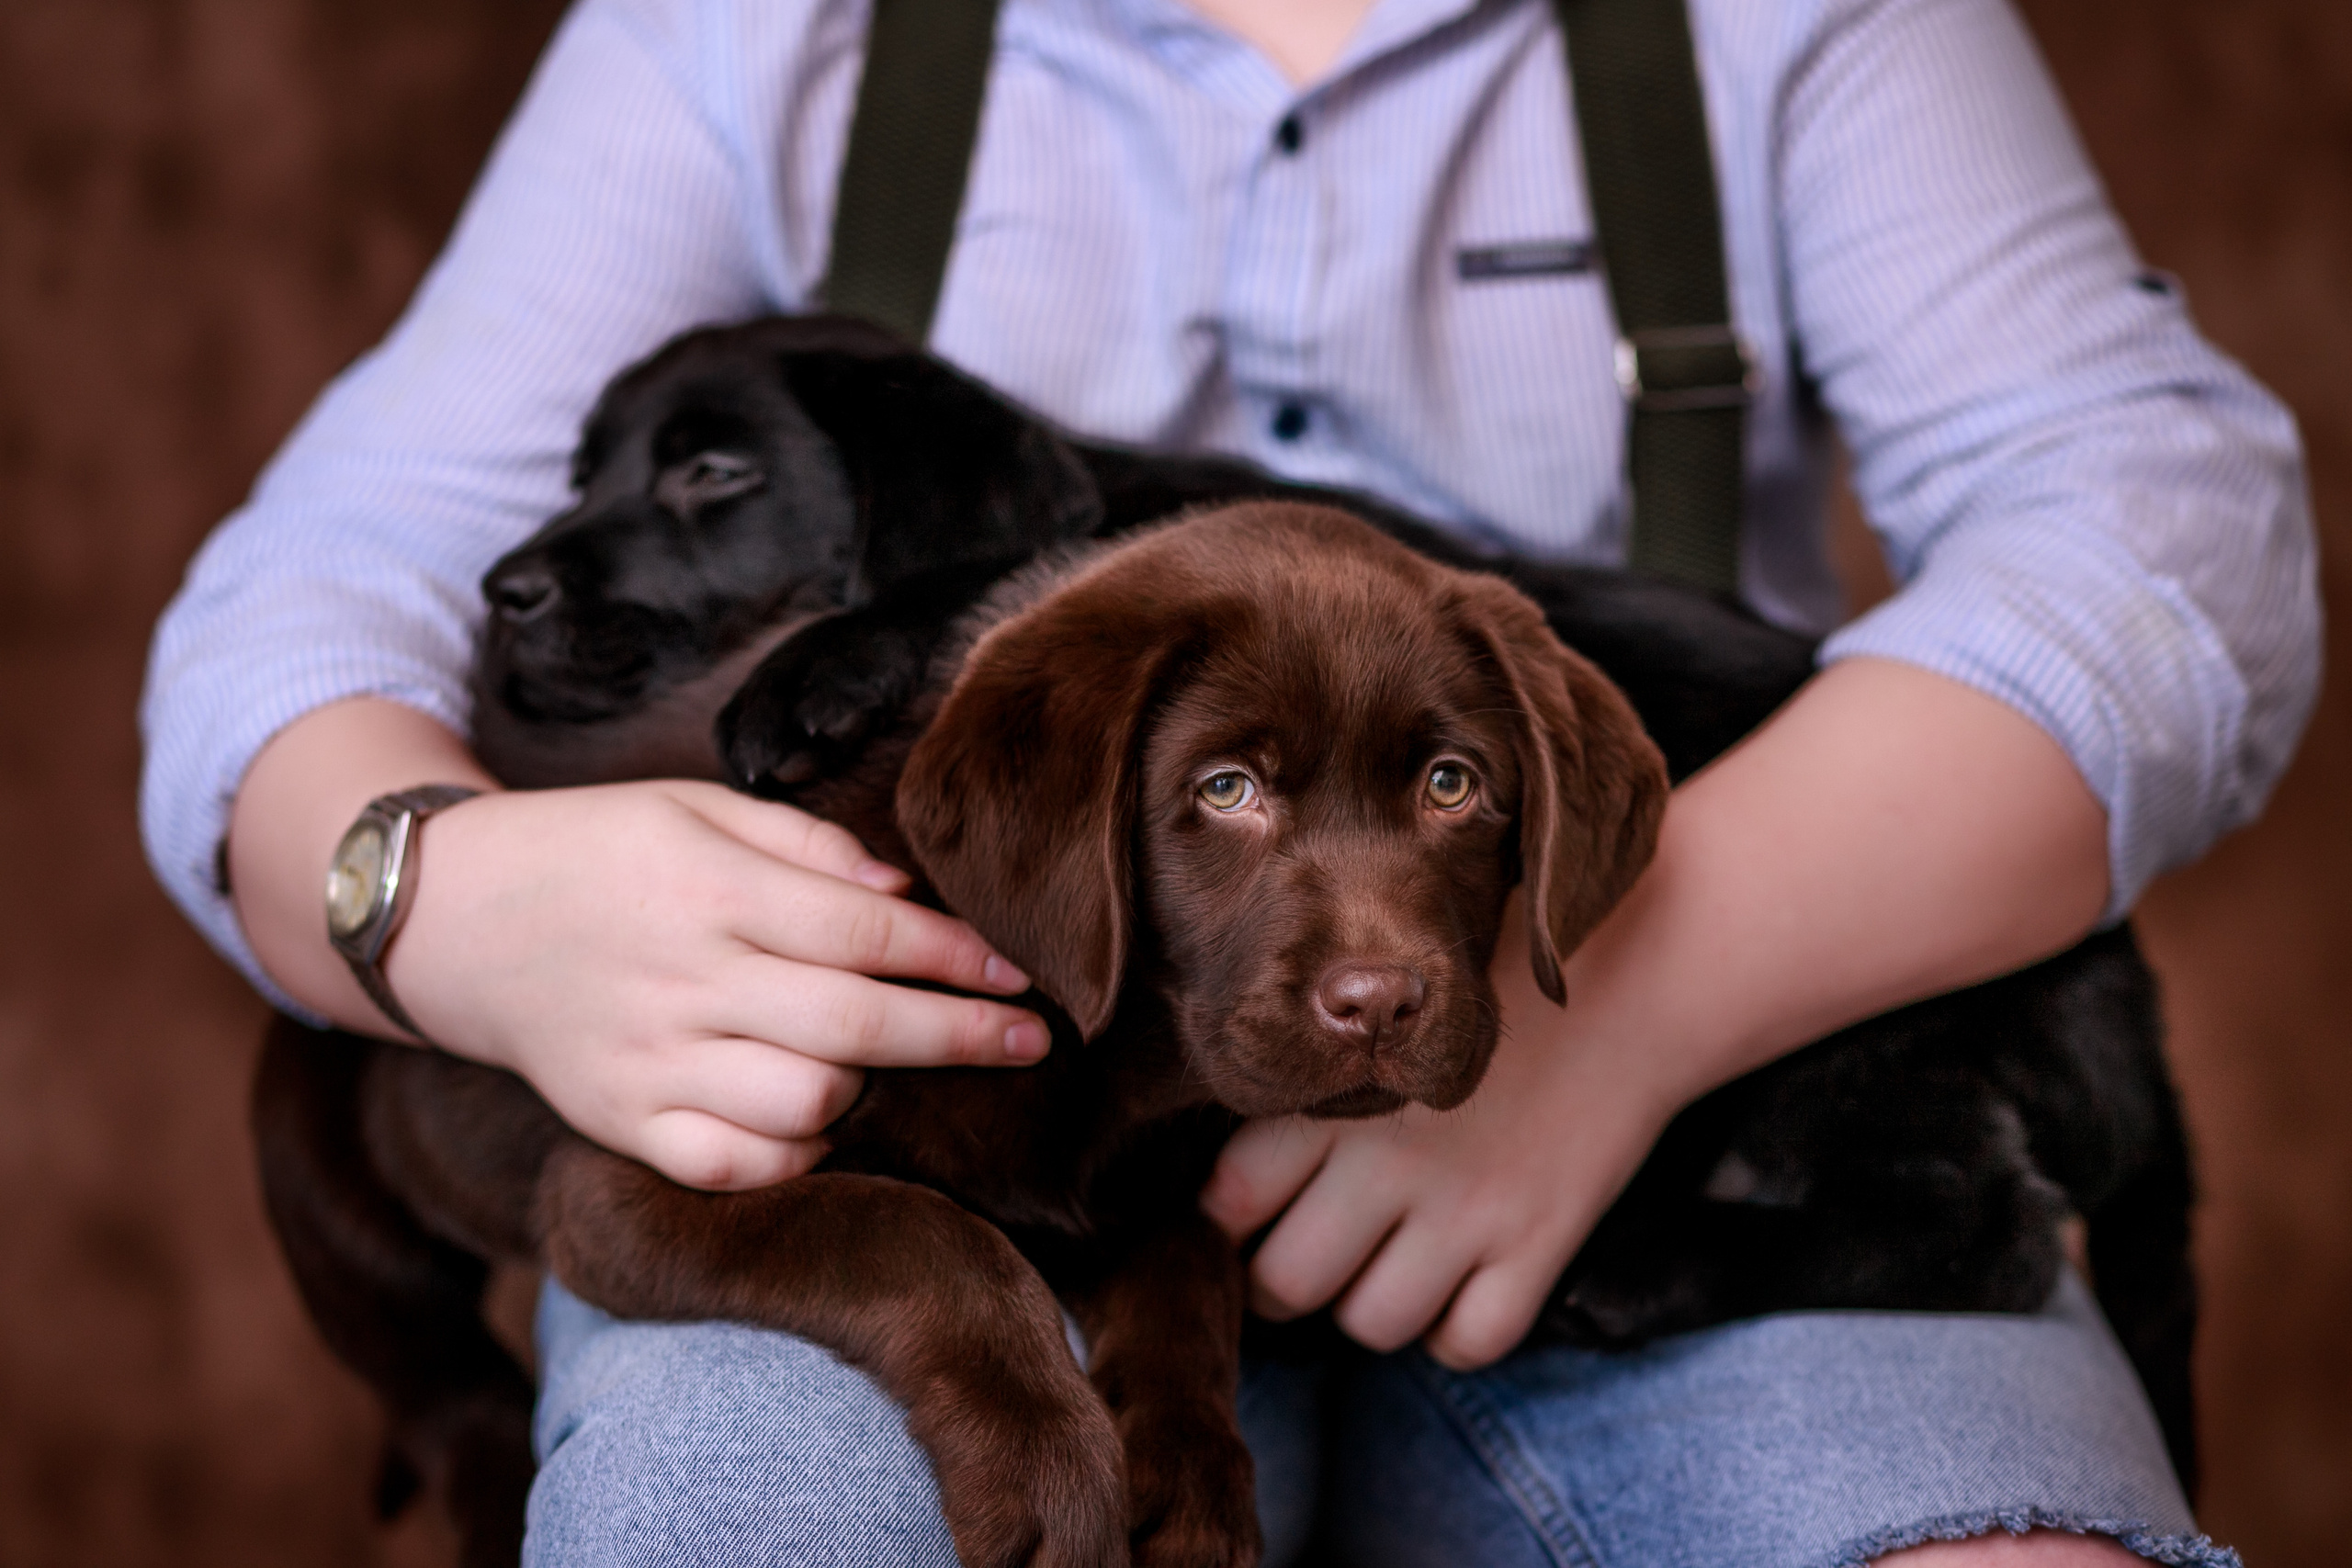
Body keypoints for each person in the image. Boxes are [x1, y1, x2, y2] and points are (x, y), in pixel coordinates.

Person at [141, 0, 2312, 1562]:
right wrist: (427, 890)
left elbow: (2160, 521)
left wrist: (1640, 992)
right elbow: (311, 593)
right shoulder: (755, 35)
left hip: (1684, 1130)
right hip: (948, 1143)